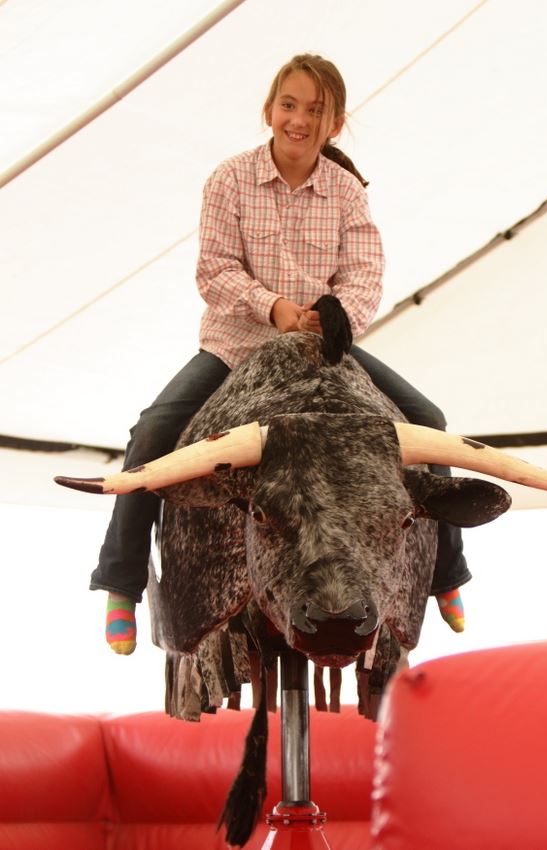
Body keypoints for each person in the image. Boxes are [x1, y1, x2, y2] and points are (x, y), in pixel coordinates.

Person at [91, 54, 470, 655]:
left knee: (430, 424)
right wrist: (273, 309)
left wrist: (339, 316)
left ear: (334, 125)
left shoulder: (345, 192)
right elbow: (214, 269)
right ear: (270, 111)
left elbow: (365, 273)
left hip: (323, 352)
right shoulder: (229, 179)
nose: (300, 119)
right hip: (235, 347)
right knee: (153, 436)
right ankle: (120, 581)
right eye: (290, 105)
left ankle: (447, 572)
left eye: (315, 110)